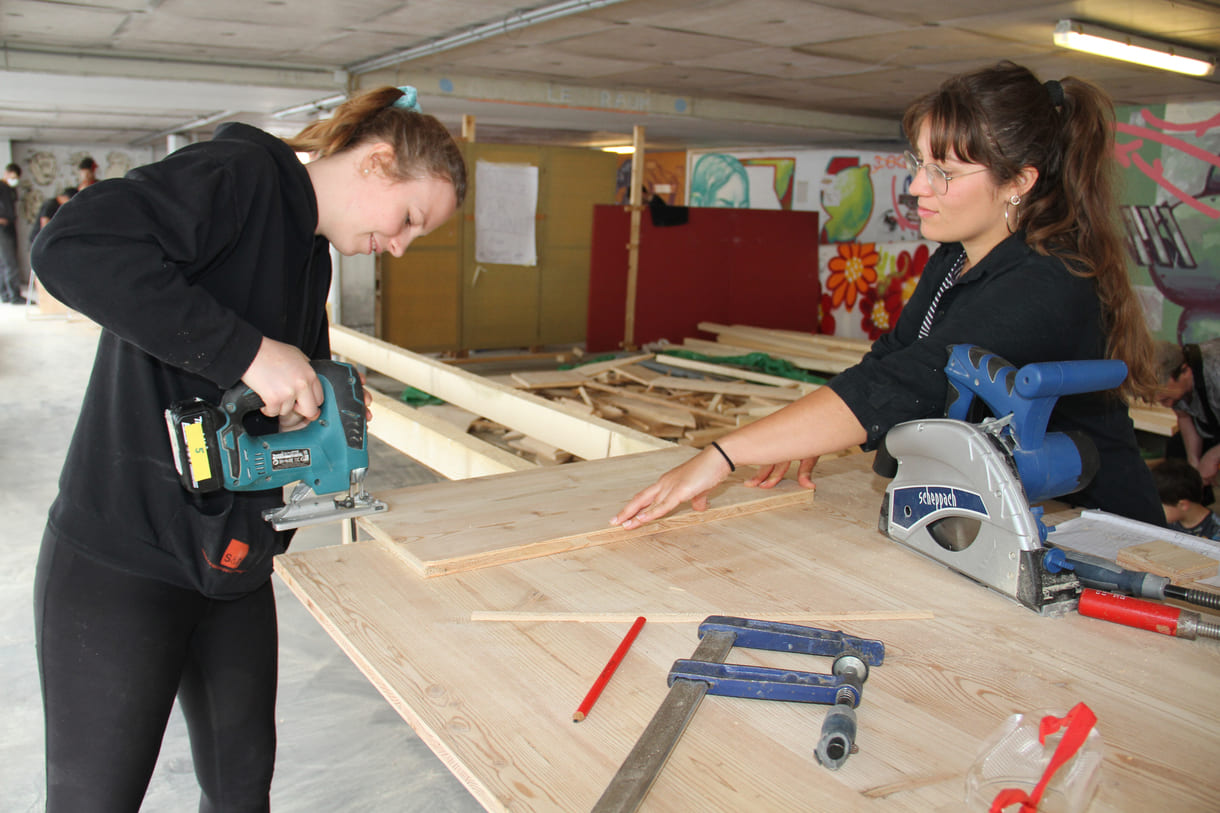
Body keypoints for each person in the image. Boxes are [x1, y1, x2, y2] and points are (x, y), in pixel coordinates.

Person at [32, 84, 466, 811]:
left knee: (241, 793)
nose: (399, 246)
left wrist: (311, 407)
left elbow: (275, 391)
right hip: (122, 562)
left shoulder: (311, 257)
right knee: (94, 799)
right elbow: (69, 248)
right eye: (408, 220)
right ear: (377, 164)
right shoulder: (237, 178)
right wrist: (248, 352)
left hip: (230, 563)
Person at [613, 61, 1164, 532]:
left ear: (1019, 181)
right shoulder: (958, 253)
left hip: (1091, 527)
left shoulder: (1046, 281)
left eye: (942, 172)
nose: (918, 187)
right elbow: (893, 354)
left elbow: (912, 382)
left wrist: (724, 453)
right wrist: (808, 429)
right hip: (1005, 510)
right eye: (918, 164)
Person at [1154, 338, 1220, 487]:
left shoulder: (1216, 369)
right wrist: (1194, 463)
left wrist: (1213, 456)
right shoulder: (1177, 386)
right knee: (1178, 455)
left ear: (1185, 371)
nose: (1165, 404)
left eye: (1166, 398)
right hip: (1212, 424)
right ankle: (1191, 503)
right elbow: (1184, 416)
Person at [1152, 459, 1220, 541]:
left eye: (1159, 506)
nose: (1154, 510)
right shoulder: (1173, 519)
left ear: (1183, 505)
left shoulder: (1215, 532)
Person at [0, 162, 24, 303]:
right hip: (3, 228)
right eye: (13, 176)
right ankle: (14, 295)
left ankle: (5, 294)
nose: (14, 180)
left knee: (4, 263)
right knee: (10, 263)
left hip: (8, 227)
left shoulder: (10, 189)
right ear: (7, 173)